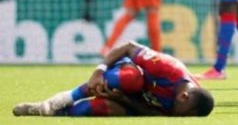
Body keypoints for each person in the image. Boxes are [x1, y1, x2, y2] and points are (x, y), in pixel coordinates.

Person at [12, 41, 214, 117]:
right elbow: (127, 46)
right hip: (126, 71)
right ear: (184, 97)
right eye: (183, 115)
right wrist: (99, 71)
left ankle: (51, 112)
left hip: (134, 98)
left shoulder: (191, 100)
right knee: (131, 79)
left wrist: (122, 100)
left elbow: (150, 112)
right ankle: (63, 99)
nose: (178, 118)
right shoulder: (168, 68)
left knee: (109, 109)